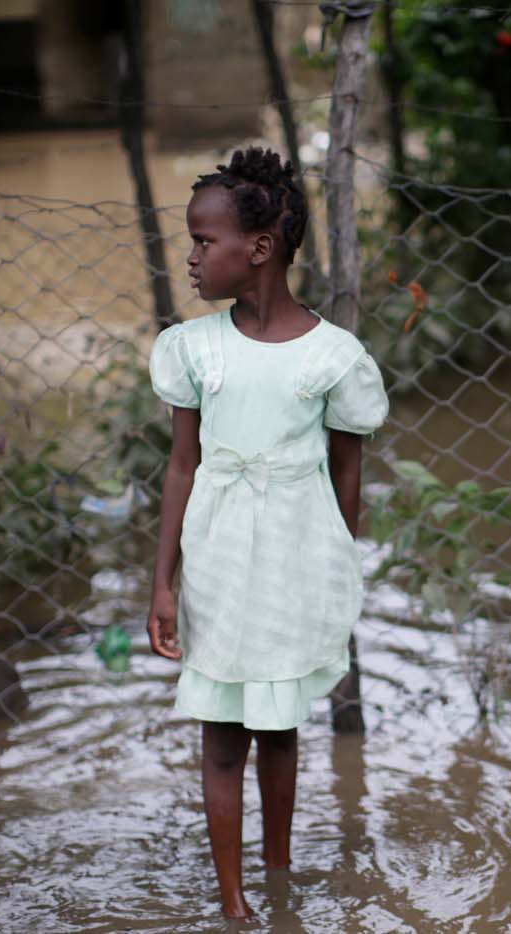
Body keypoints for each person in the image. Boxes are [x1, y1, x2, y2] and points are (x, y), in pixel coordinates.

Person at [145, 147, 388, 920]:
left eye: (203, 240)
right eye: (190, 240)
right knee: (223, 737)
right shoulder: (195, 349)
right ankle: (234, 901)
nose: (191, 256)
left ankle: (279, 877)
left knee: (279, 730)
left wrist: (335, 569)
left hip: (293, 566)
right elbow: (182, 467)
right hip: (218, 566)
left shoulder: (333, 356)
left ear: (259, 249)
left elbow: (345, 475)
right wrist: (163, 582)